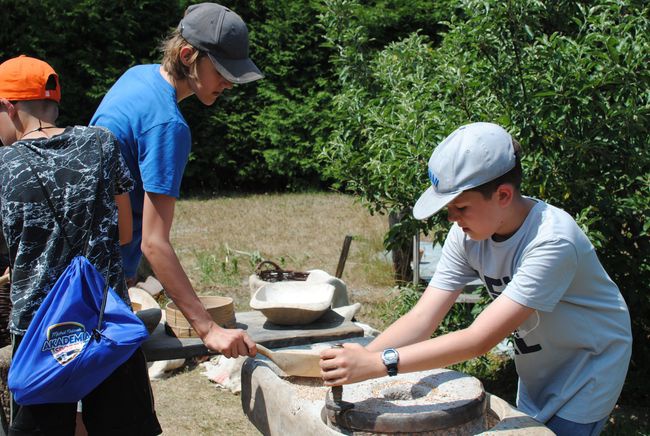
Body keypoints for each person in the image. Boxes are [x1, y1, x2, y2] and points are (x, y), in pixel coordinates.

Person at [320, 122, 632, 436]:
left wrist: (379, 364)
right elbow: (423, 317)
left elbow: (479, 339)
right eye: (448, 207)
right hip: (541, 365)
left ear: (504, 195)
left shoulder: (552, 241)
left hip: (589, 370)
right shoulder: (467, 235)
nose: (452, 218)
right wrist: (362, 357)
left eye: (461, 206)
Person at [0, 55, 162, 435]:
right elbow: (124, 233)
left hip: (41, 333)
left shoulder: (3, 167)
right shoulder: (102, 144)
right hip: (107, 320)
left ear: (8, 107)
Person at [90, 2, 261, 359]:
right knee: (125, 412)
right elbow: (154, 243)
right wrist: (208, 328)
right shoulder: (168, 126)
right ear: (188, 55)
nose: (228, 83)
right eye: (222, 71)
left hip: (78, 267)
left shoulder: (138, 76)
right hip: (99, 286)